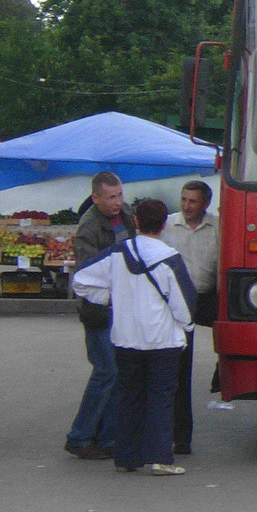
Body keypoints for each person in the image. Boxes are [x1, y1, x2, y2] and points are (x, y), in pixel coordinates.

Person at [73, 198, 196, 476]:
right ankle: (161, 459)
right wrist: (183, 325)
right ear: (164, 224)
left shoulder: (118, 253)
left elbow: (81, 279)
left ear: (136, 221)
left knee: (129, 397)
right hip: (162, 341)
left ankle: (125, 457)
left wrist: (107, 298)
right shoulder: (170, 258)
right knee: (161, 398)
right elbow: (184, 306)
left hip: (126, 339)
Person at [64, 171, 137, 460]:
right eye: (111, 197)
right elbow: (86, 275)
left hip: (123, 307)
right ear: (96, 198)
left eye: (120, 194)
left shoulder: (126, 214)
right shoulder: (89, 227)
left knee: (117, 373)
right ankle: (79, 436)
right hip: (98, 310)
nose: (118, 201)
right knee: (107, 372)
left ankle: (107, 438)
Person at [158, 181, 219, 456]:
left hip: (207, 298)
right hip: (178, 301)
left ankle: (224, 374)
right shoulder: (167, 226)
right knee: (180, 371)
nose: (187, 206)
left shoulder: (218, 227)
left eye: (193, 201)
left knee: (238, 336)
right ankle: (180, 438)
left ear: (206, 203)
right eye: (183, 200)